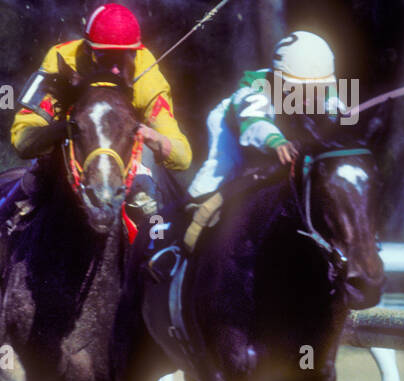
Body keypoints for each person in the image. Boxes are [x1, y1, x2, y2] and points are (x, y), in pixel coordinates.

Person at [0, 2, 191, 273]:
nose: (115, 69)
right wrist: (63, 129)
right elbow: (22, 138)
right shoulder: (61, 60)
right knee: (35, 176)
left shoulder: (147, 76)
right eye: (104, 58)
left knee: (148, 195)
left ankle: (158, 254)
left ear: (135, 53)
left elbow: (182, 156)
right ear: (87, 51)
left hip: (122, 156)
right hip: (71, 151)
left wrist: (150, 135)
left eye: (123, 58)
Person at [145, 30, 345, 280]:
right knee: (213, 181)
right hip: (235, 129)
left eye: (316, 90)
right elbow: (254, 123)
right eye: (299, 90)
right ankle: (171, 250)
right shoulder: (253, 89)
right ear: (279, 79)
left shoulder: (328, 89)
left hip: (285, 139)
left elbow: (343, 122)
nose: (309, 98)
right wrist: (276, 142)